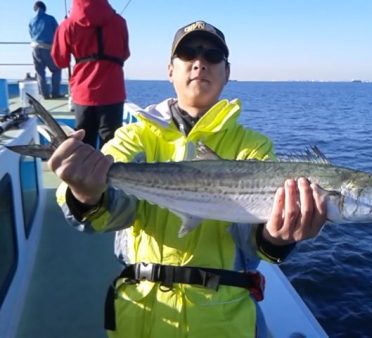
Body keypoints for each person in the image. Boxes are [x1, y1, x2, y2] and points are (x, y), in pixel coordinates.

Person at [48, 20, 327, 338]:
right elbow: (103, 215)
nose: (200, 62)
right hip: (138, 315)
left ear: (227, 72)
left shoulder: (253, 147)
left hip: (223, 320)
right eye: (188, 53)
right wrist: (85, 194)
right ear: (170, 70)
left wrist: (278, 239)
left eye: (212, 55)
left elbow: (259, 244)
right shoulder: (134, 137)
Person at [51, 0, 130, 148]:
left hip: (83, 92)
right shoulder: (119, 22)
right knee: (112, 145)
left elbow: (60, 61)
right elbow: (125, 54)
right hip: (113, 89)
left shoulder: (67, 25)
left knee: (84, 143)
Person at [29, 1, 61, 100]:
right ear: (44, 8)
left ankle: (45, 95)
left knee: (40, 72)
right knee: (56, 70)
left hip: (34, 48)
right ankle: (55, 93)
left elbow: (31, 35)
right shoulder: (51, 19)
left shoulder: (31, 21)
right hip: (47, 48)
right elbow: (58, 33)